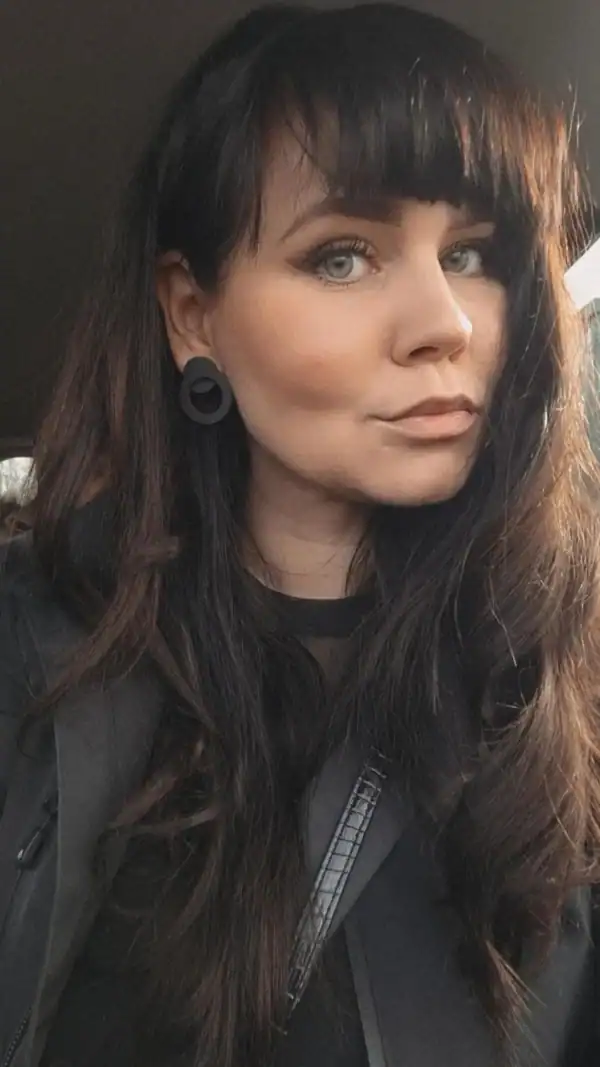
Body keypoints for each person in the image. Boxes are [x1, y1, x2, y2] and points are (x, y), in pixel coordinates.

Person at [1, 3, 599, 1065]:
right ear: (192, 314)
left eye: (473, 253)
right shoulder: (31, 649)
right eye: (343, 258)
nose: (448, 323)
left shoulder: (561, 673)